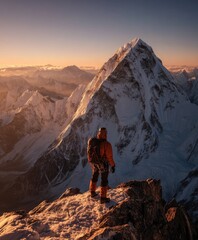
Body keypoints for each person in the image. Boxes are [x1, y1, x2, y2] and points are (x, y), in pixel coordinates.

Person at [88, 127, 115, 203]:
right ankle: (103, 198)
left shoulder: (92, 141)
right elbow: (109, 157)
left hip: (94, 163)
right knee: (104, 180)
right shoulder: (107, 144)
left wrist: (91, 162)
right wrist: (112, 165)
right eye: (105, 133)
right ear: (105, 134)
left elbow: (89, 153)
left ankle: (92, 192)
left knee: (94, 176)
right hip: (103, 164)